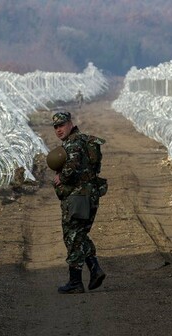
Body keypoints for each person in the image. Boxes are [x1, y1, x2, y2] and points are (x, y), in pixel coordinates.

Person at [51, 111, 107, 294]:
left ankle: (75, 282)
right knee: (80, 234)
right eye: (56, 127)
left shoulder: (73, 143)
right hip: (89, 194)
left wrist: (61, 176)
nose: (59, 130)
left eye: (62, 125)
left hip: (78, 197)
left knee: (72, 236)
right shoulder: (83, 140)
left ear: (70, 123)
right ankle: (94, 268)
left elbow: (72, 168)